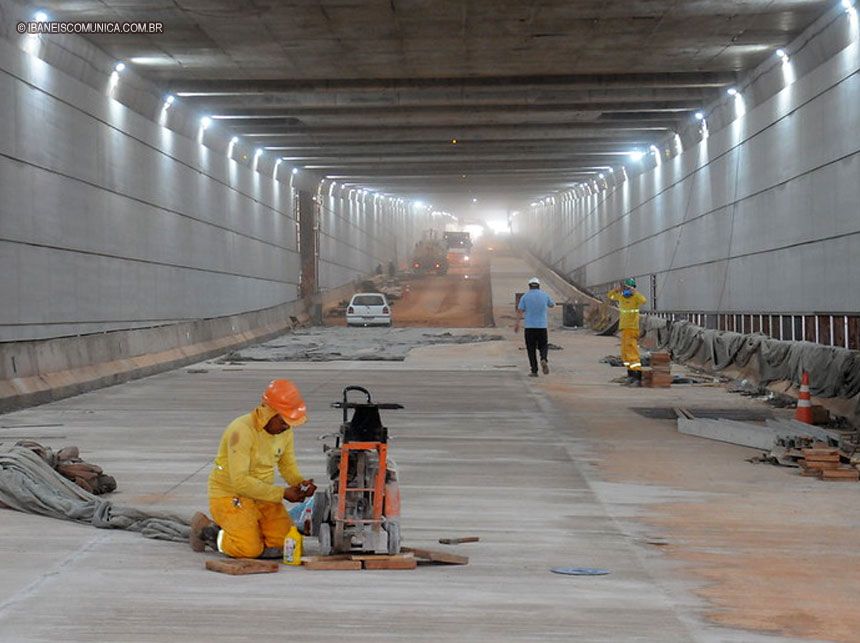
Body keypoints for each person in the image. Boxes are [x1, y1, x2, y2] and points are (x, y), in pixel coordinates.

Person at [189, 379, 317, 559]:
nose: (286, 427)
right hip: (231, 496)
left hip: (262, 495)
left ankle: (250, 531)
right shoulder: (241, 431)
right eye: (283, 422)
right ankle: (208, 531)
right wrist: (282, 494)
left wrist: (299, 483)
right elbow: (240, 482)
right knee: (249, 549)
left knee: (288, 544)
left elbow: (287, 464)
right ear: (268, 413)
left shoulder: (284, 431)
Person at [607, 278, 648, 384]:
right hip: (624, 329)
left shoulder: (635, 298)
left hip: (632, 328)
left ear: (632, 288)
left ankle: (637, 375)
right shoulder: (621, 297)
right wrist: (616, 290)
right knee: (625, 352)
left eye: (627, 288)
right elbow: (610, 296)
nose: (625, 290)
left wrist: (635, 292)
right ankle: (630, 373)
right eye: (624, 288)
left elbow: (643, 300)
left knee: (632, 351)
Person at [515, 277, 556, 377]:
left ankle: (534, 370)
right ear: (539, 286)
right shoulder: (544, 295)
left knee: (531, 349)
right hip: (542, 326)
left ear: (529, 286)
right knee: (543, 345)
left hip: (529, 327)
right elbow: (552, 305)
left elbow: (520, 310)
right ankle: (543, 358)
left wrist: (517, 324)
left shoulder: (525, 296)